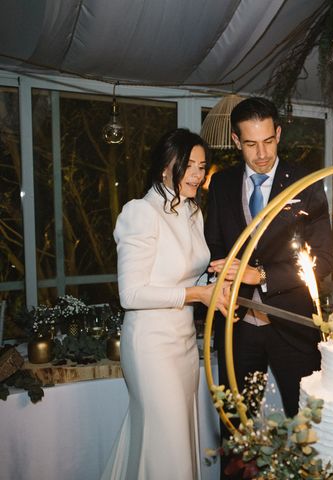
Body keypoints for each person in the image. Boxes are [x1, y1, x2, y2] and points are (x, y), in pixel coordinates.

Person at [101, 129, 229, 480]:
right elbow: (131, 295)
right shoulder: (140, 212)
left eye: (202, 166)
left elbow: (188, 278)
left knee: (172, 439)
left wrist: (217, 281)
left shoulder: (192, 213)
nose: (197, 174)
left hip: (185, 345)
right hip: (151, 347)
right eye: (188, 165)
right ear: (164, 167)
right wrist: (196, 295)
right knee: (167, 445)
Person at [204, 97, 333, 419]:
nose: (261, 154)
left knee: (307, 424)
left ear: (278, 134)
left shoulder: (307, 183)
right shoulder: (220, 183)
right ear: (236, 141)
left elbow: (323, 259)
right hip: (237, 327)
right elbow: (215, 247)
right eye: (250, 144)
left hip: (293, 325)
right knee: (235, 427)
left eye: (268, 141)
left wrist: (260, 275)